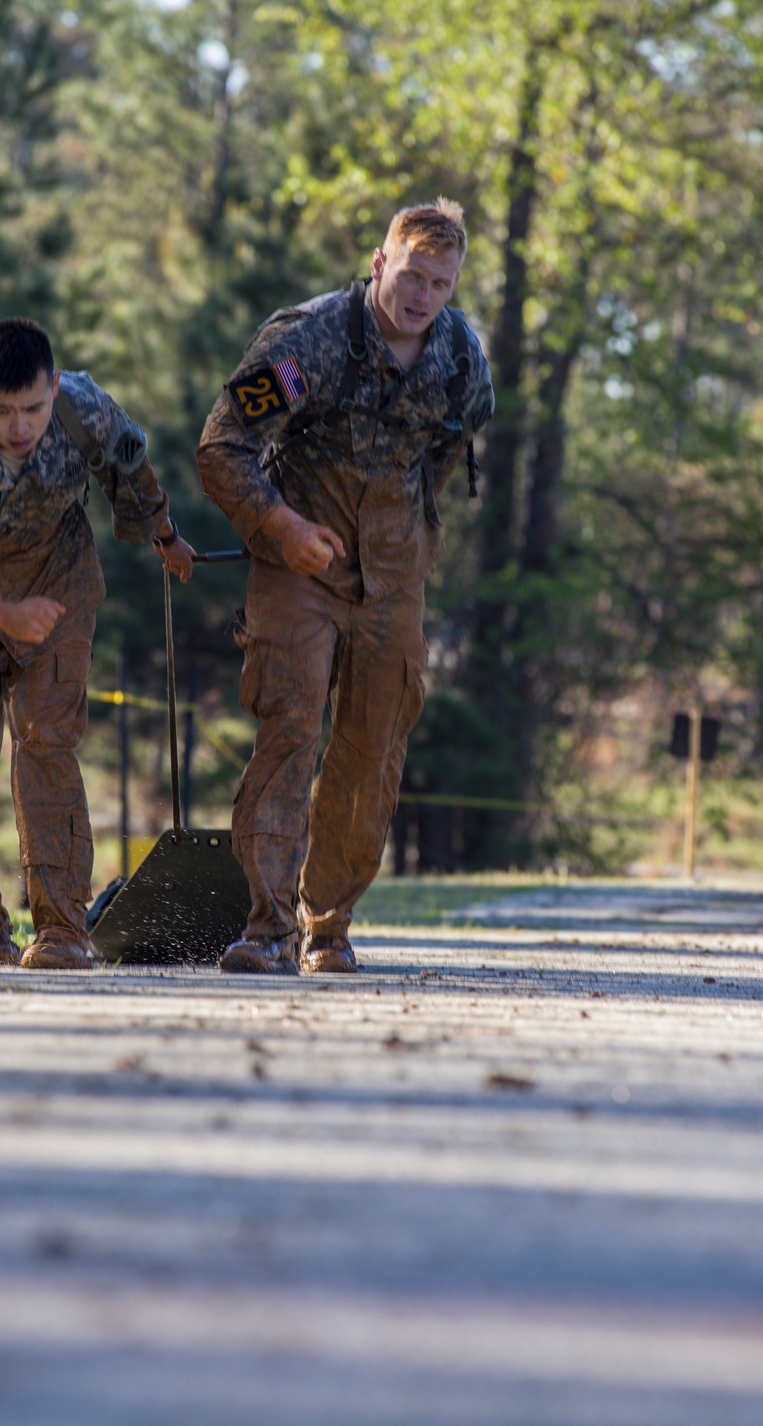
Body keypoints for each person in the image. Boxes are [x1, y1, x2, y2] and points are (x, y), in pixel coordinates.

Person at [197, 200, 494, 974]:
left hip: (395, 575)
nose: (423, 294)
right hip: (303, 560)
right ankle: (265, 928)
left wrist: (409, 533)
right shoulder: (309, 342)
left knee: (372, 747)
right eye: (411, 274)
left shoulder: (462, 360)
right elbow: (221, 446)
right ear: (378, 263)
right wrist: (285, 529)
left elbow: (451, 448)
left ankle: (327, 926)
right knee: (291, 726)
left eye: (441, 281)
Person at [0, 318, 194, 969]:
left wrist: (164, 536)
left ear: (55, 386)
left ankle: (61, 929)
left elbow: (131, 469)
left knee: (46, 738)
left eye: (33, 407)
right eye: (2, 410)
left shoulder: (86, 408)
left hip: (58, 585)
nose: (20, 425)